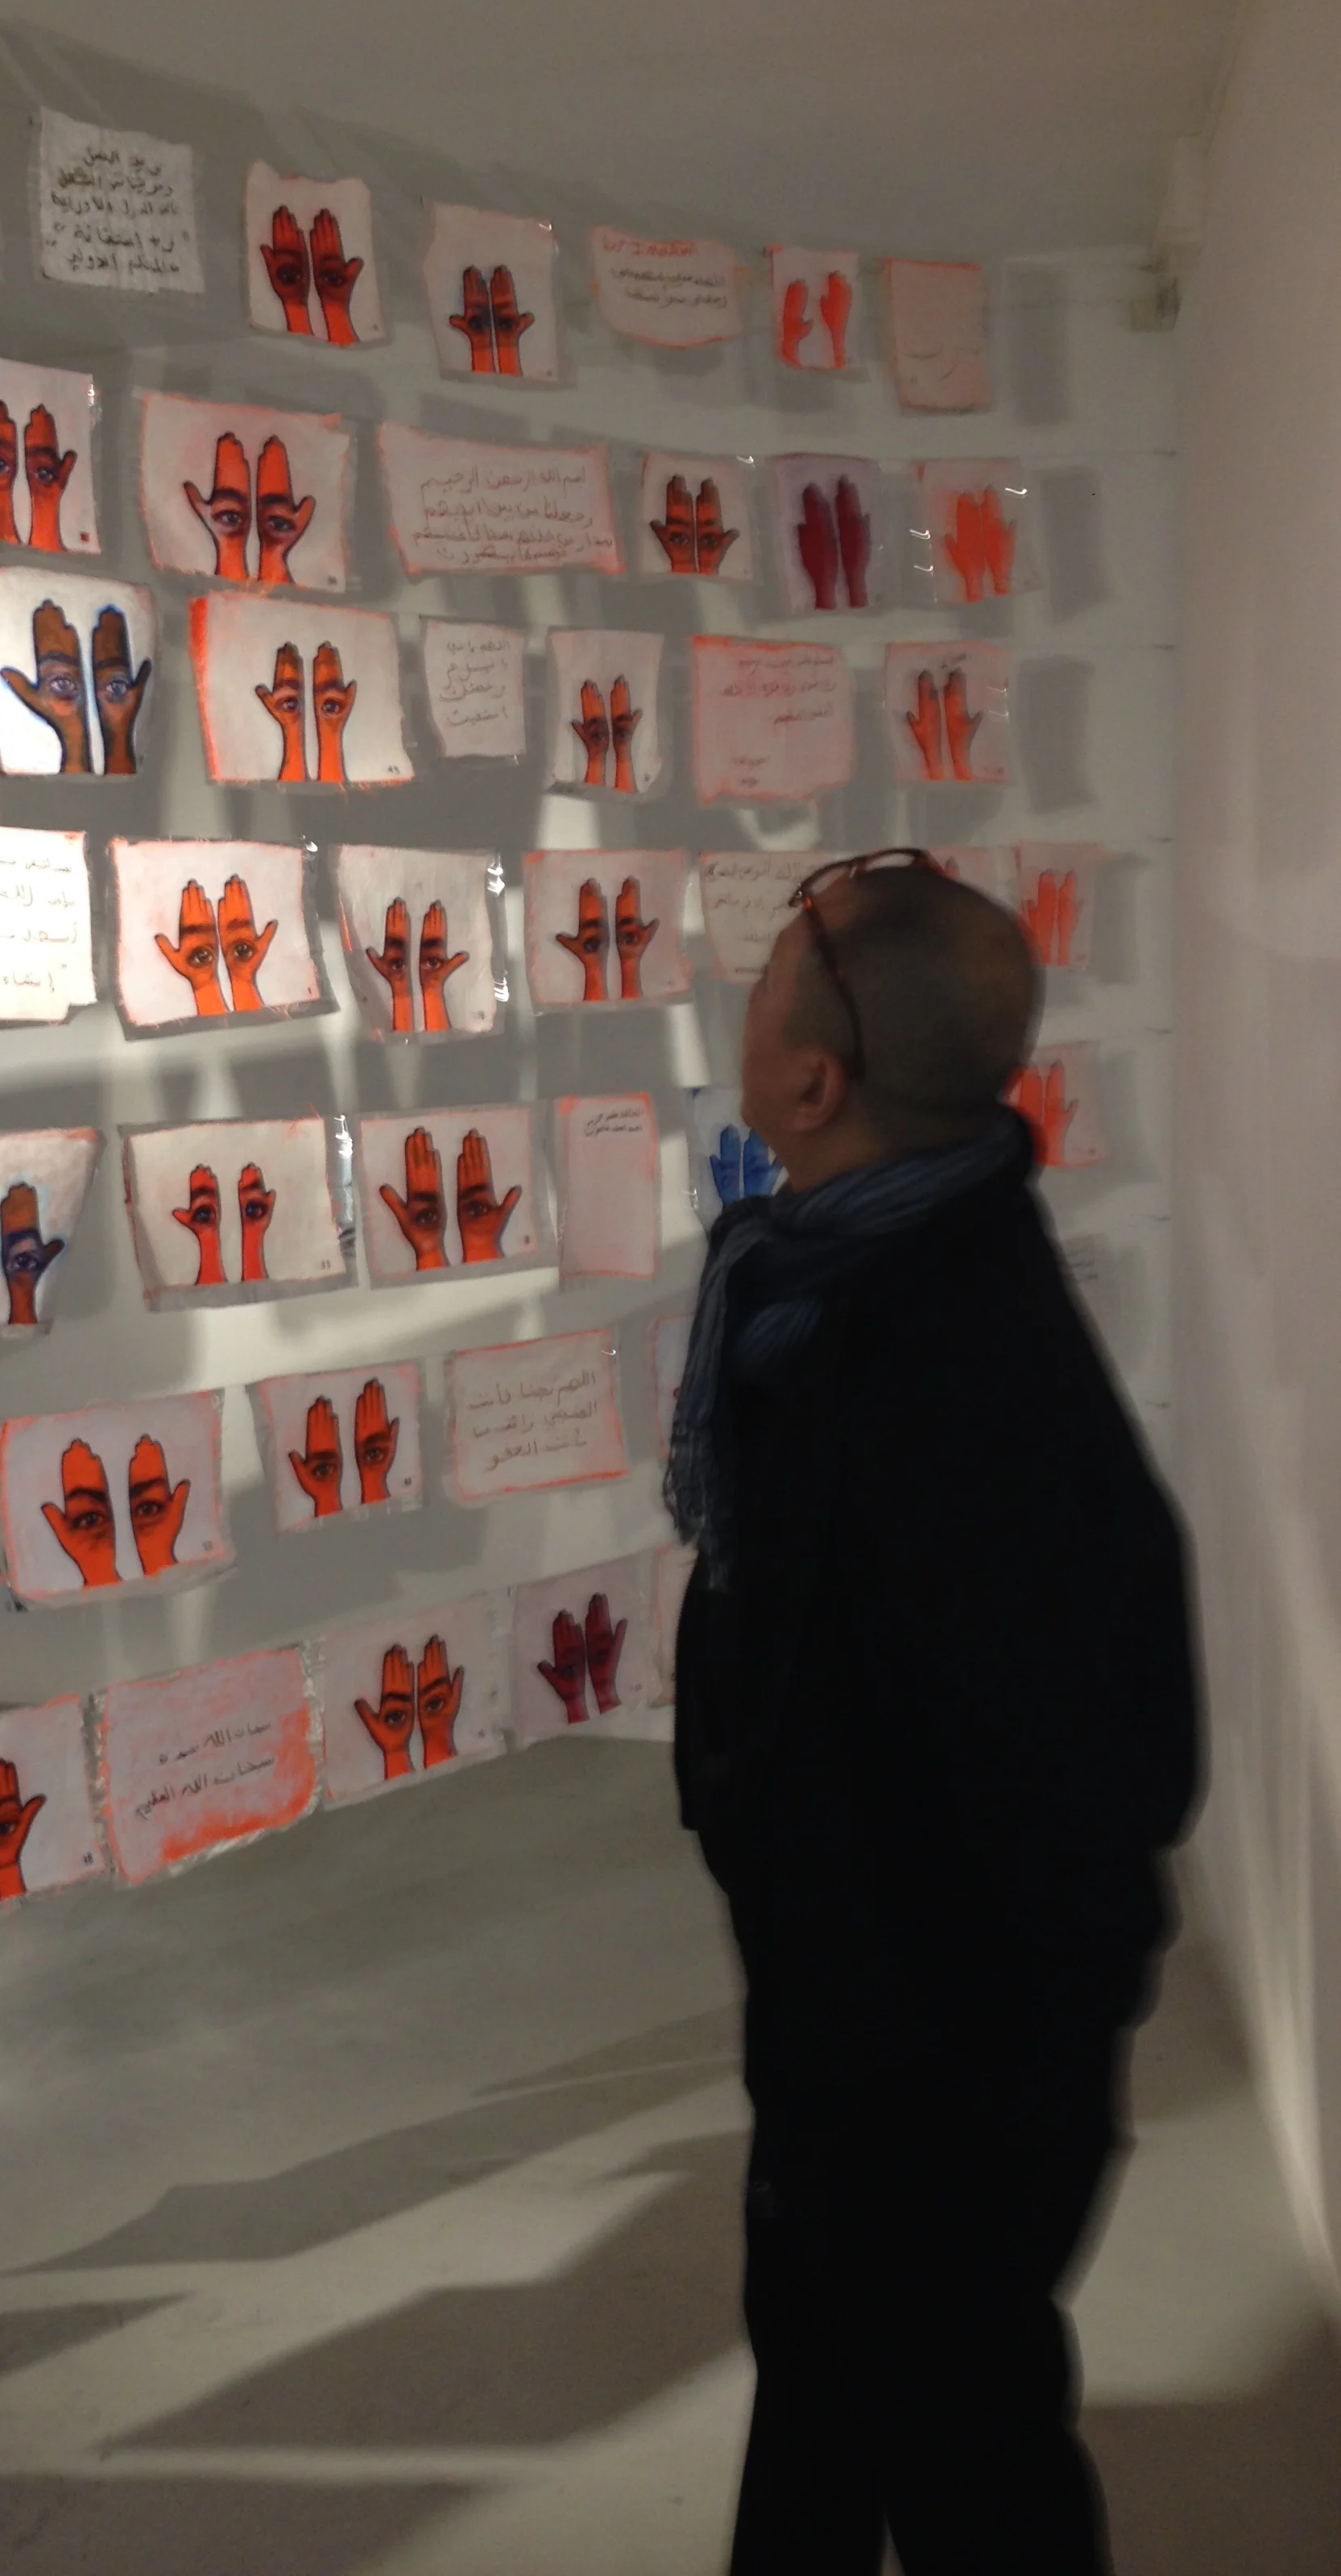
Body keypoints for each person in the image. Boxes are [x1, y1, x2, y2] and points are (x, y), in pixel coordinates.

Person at [667, 850, 1198, 2574]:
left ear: (812, 1085)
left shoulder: (935, 1360)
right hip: (862, 2015)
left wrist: (953, 2065)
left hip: (937, 2056)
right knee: (827, 2388)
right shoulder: (853, 1278)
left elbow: (1077, 1754)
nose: (742, 1007)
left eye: (763, 987)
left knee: (970, 2459)